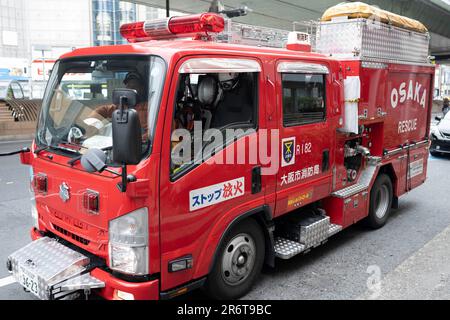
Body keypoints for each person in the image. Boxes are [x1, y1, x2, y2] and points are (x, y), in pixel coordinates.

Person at [85, 72, 148, 140]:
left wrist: (138, 141)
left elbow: (152, 133)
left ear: (142, 89)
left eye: (133, 87)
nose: (130, 91)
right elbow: (103, 110)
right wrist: (90, 123)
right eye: (128, 87)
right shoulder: (122, 106)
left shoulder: (148, 108)